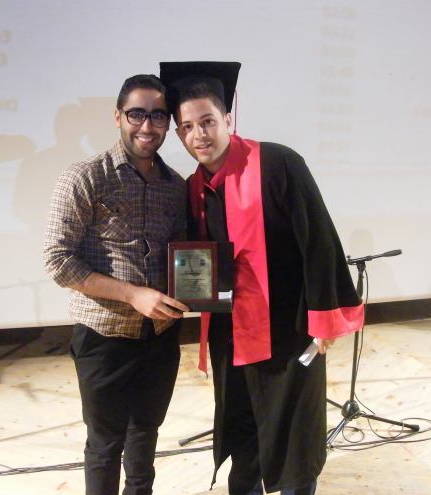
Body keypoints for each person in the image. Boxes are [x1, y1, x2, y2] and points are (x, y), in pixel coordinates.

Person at [160, 62, 364, 495]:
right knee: (242, 428)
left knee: (293, 437)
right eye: (188, 127)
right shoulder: (194, 187)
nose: (199, 135)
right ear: (179, 134)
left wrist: (325, 322)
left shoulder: (277, 162)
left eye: (208, 121)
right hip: (231, 334)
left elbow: (319, 240)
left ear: (228, 118)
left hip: (288, 330)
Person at [44, 74, 189, 495]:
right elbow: (57, 260)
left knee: (146, 431)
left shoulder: (176, 187)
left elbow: (184, 257)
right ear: (118, 117)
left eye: (158, 116)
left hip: (160, 334)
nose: (147, 125)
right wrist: (132, 294)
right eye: (136, 114)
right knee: (105, 444)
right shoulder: (85, 177)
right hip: (103, 336)